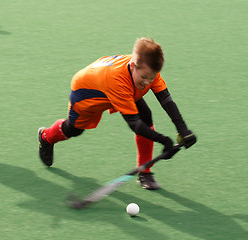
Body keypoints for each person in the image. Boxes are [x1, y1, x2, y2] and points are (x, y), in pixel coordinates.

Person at [38, 37, 197, 190]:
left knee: (145, 115)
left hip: (121, 87)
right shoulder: (118, 80)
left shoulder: (148, 68)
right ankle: (46, 137)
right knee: (74, 130)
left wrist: (183, 129)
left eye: (152, 78)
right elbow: (135, 125)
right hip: (86, 93)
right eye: (144, 77)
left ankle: (145, 172)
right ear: (133, 66)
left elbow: (166, 100)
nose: (147, 82)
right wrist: (164, 141)